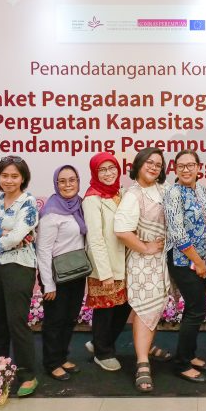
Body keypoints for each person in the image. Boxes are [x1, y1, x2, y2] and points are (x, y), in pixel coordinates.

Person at [0, 155, 39, 397]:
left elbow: (15, 238)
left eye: (14, 176)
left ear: (23, 178)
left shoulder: (28, 203)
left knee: (16, 322)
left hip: (18, 267)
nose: (9, 180)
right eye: (4, 175)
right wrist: (1, 234)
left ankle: (28, 374)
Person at [114, 147, 170, 393]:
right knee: (145, 308)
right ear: (138, 165)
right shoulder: (133, 195)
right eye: (149, 162)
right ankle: (142, 363)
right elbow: (122, 231)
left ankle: (146, 347)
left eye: (158, 164)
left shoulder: (162, 190)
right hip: (143, 262)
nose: (154, 167)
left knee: (155, 307)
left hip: (161, 261)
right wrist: (146, 248)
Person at [164, 149, 206, 383]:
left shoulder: (201, 190)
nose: (186, 169)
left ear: (198, 167)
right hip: (184, 261)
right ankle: (181, 364)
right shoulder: (173, 193)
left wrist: (205, 261)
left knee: (194, 310)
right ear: (175, 169)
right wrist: (198, 262)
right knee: (197, 309)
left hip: (202, 261)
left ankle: (190, 354)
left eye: (190, 165)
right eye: (181, 166)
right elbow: (178, 233)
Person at [36, 165, 87, 382]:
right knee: (55, 321)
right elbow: (43, 250)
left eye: (72, 180)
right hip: (56, 275)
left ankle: (62, 357)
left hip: (76, 271)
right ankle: (51, 363)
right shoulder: (51, 212)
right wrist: (48, 284)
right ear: (56, 184)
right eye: (62, 181)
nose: (68, 185)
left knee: (69, 318)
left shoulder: (80, 206)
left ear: (78, 181)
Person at [83, 152, 131, 372]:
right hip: (106, 265)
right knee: (105, 310)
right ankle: (103, 354)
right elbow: (95, 239)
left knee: (123, 306)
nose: (108, 173)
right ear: (95, 172)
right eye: (102, 170)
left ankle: (99, 343)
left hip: (125, 262)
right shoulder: (92, 198)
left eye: (112, 168)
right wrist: (105, 273)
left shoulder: (121, 193)